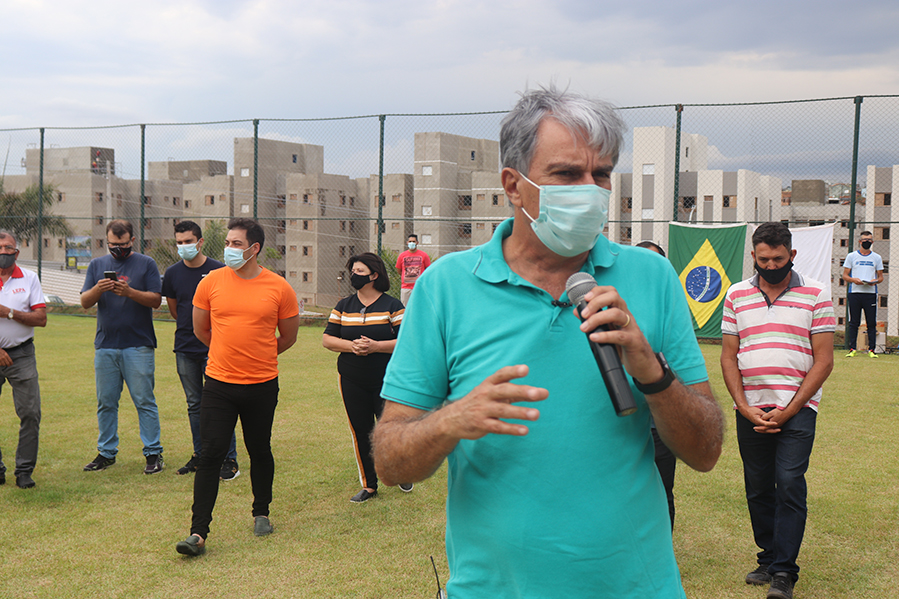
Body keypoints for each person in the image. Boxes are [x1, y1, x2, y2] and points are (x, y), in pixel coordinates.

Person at [372, 85, 724, 598]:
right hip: (495, 587)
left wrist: (650, 369)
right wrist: (452, 419)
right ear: (513, 186)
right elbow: (389, 460)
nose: (590, 189)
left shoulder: (652, 276)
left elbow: (706, 450)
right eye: (566, 174)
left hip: (635, 585)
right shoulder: (445, 286)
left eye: (600, 174)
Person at [720, 222, 835, 599]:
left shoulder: (817, 294)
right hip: (749, 409)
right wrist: (743, 406)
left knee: (788, 483)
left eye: (778, 259)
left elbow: (823, 361)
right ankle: (768, 558)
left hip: (798, 409)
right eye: (763, 259)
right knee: (757, 488)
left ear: (792, 256)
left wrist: (790, 409)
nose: (771, 265)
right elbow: (728, 356)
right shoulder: (736, 295)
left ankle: (784, 571)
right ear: (752, 256)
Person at [176, 218, 300, 557]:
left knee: (259, 449)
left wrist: (256, 353)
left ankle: (262, 512)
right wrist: (227, 352)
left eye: (235, 244)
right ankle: (198, 533)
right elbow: (201, 330)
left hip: (262, 385)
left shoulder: (279, 287)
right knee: (210, 454)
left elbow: (288, 336)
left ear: (254, 248)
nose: (229, 249)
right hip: (218, 384)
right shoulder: (211, 282)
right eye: (228, 243)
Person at [80, 220, 164, 475]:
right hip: (105, 345)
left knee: (144, 400)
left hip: (137, 345)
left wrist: (129, 292)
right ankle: (106, 452)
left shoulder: (146, 264)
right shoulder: (97, 265)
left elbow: (156, 301)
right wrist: (98, 288)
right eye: (113, 245)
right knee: (106, 402)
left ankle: (153, 453)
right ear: (107, 242)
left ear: (132, 240)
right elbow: (85, 301)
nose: (118, 248)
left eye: (123, 244)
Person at [323, 252, 406, 503]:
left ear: (374, 275)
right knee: (361, 430)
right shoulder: (343, 305)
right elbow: (327, 339)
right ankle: (369, 485)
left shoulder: (393, 306)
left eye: (359, 271)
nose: (354, 276)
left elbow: (407, 341)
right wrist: (352, 347)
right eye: (353, 271)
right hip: (351, 377)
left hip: (386, 379)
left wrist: (377, 347)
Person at [161, 220, 240, 481]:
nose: (184, 246)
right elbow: (175, 310)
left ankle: (228, 459)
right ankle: (200, 455)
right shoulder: (172, 273)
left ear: (200, 242)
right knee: (194, 405)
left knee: (221, 404)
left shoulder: (219, 270)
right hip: (184, 348)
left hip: (214, 348)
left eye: (188, 241)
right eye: (179, 242)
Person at [0, 231, 46, 489]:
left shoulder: (29, 278)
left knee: (30, 413)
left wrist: (8, 313)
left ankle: (24, 470)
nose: (4, 252)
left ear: (17, 252)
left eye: (9, 248)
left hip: (22, 354)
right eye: (0, 248)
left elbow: (40, 318)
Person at [636, 240, 676, 528]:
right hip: (619, 425)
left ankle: (662, 555)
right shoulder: (604, 308)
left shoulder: (671, 313)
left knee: (662, 492)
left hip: (659, 423)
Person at [841, 230, 883, 358]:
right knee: (854, 322)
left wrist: (874, 282)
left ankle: (872, 350)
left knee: (871, 322)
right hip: (855, 292)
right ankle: (852, 348)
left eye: (869, 240)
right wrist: (854, 280)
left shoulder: (877, 257)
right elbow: (845, 275)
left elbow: (880, 277)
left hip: (870, 293)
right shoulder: (852, 256)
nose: (866, 242)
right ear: (860, 241)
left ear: (872, 242)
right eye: (864, 240)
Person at [395, 234, 431, 305]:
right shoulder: (402, 256)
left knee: (419, 306)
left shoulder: (424, 255)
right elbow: (399, 270)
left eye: (414, 241)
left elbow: (428, 269)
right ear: (407, 242)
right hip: (406, 288)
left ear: (417, 242)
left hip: (419, 287)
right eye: (410, 241)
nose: (412, 243)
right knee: (405, 308)